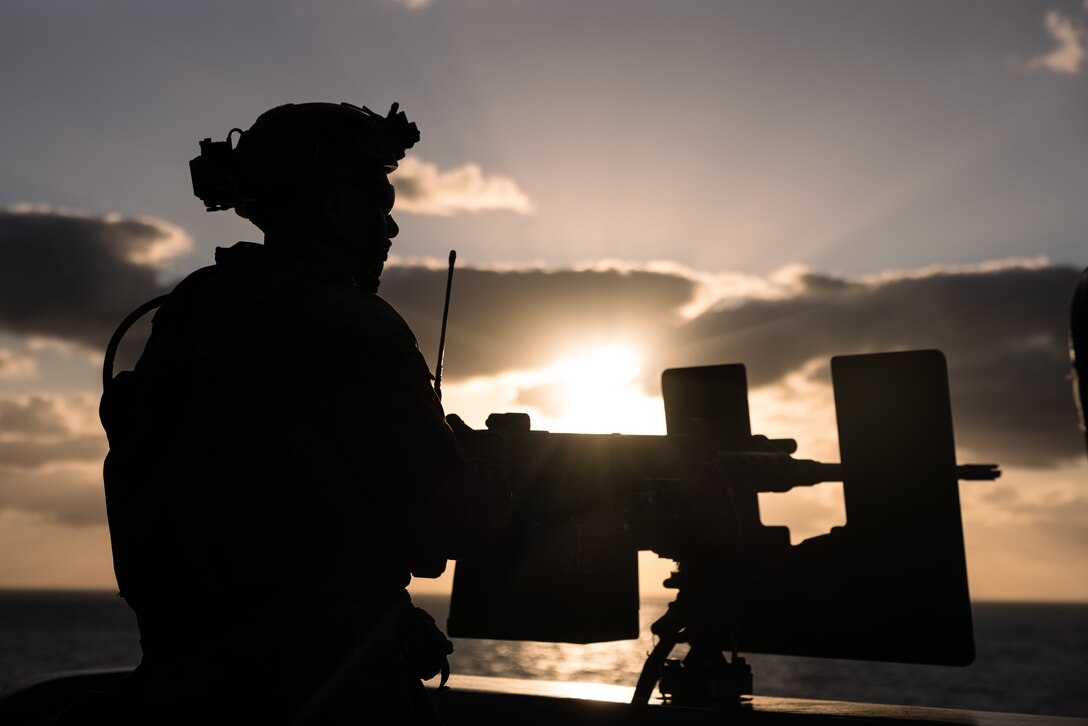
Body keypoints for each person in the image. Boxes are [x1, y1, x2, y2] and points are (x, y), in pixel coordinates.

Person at [94, 102, 509, 725]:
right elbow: (447, 525)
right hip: (327, 696)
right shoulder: (347, 322)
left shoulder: (187, 317)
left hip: (181, 692)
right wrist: (492, 477)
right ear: (336, 205)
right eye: (382, 204)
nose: (390, 230)